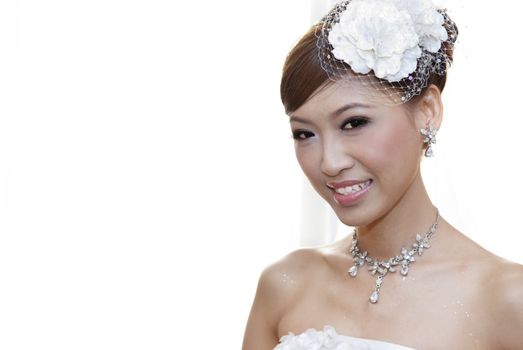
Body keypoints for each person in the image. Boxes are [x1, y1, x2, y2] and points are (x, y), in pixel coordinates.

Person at [242, 0, 523, 349]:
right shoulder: (284, 284)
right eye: (304, 134)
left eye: (354, 123)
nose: (329, 162)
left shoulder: (507, 301)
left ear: (427, 113)